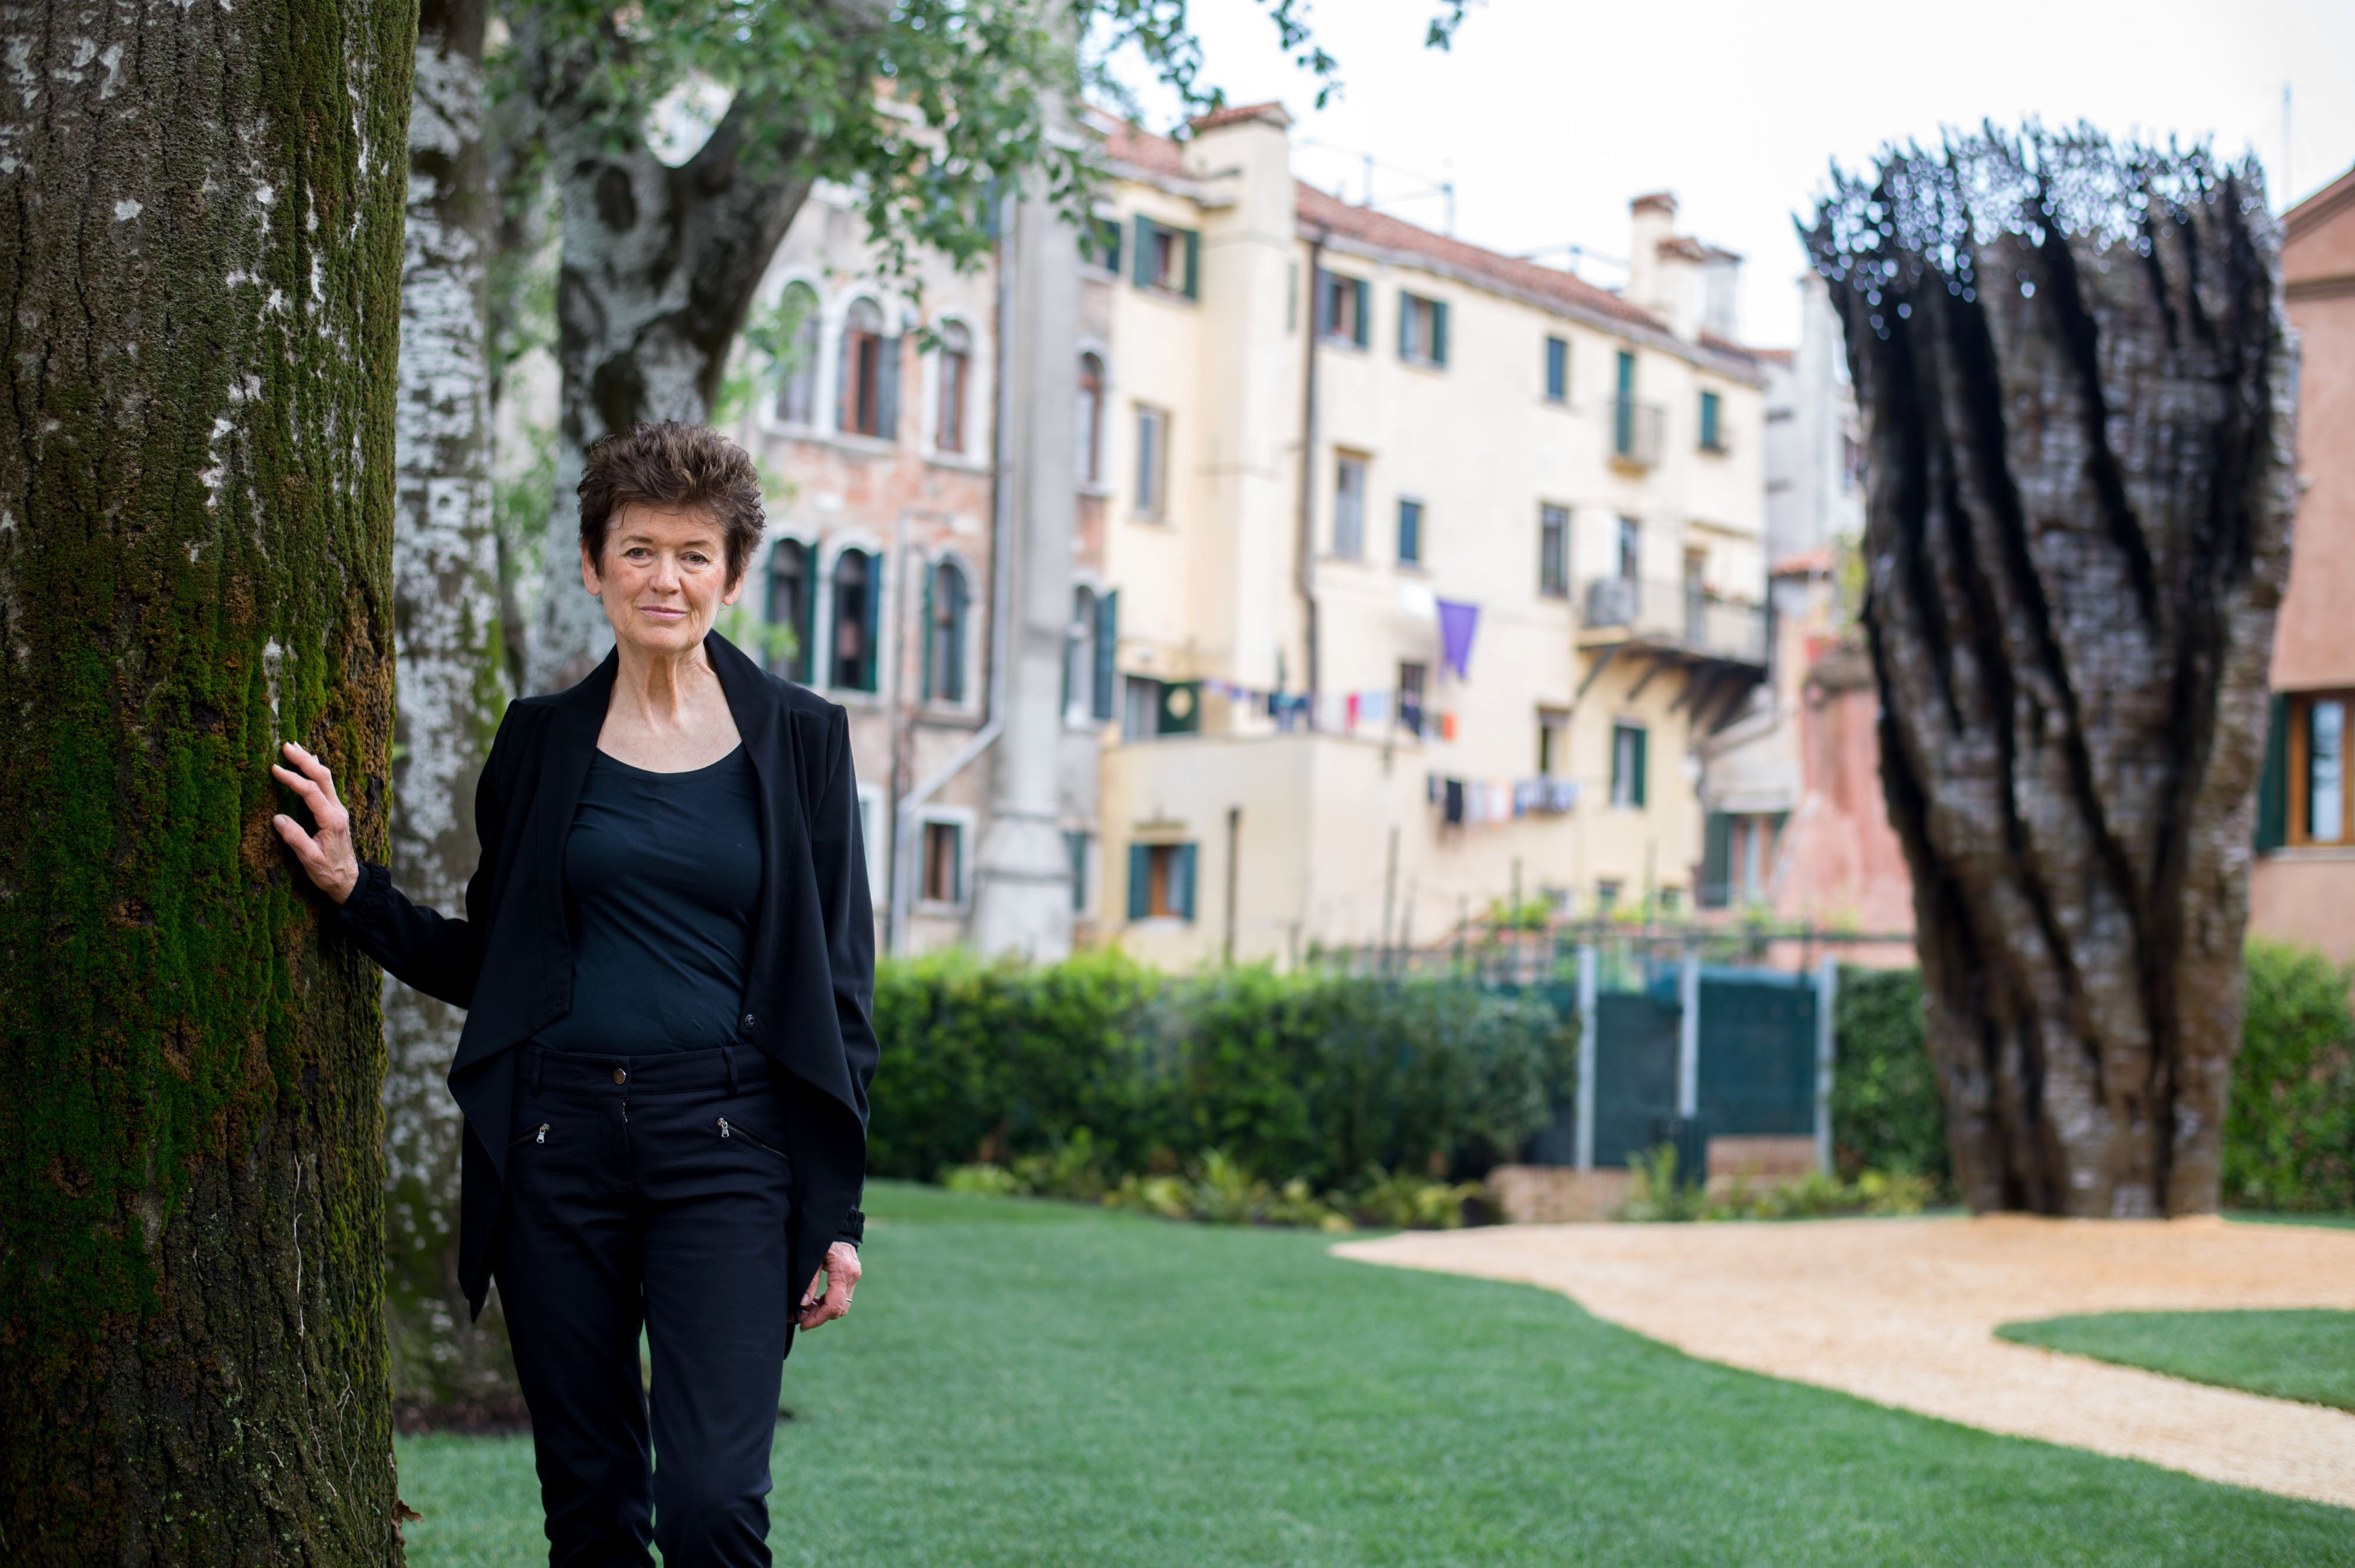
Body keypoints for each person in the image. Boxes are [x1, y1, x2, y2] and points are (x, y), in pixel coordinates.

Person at [271, 422, 877, 1566]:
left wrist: (834, 1213)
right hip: (556, 1147)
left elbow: (841, 987)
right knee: (589, 1510)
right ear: (594, 566)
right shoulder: (540, 744)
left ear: (733, 574)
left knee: (710, 1506)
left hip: (729, 1149)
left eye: (695, 554)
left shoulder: (802, 739)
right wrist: (360, 893)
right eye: (638, 550)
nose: (666, 578)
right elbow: (500, 968)